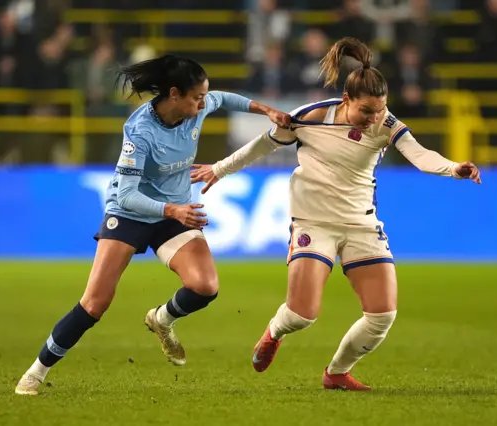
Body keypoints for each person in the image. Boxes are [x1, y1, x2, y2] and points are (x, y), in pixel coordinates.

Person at [190, 38, 481, 391]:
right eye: (367, 112)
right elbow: (263, 145)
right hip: (313, 222)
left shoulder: (386, 124)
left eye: (381, 110)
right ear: (346, 101)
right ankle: (273, 333)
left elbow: (419, 155)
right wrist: (220, 169)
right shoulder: (311, 117)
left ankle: (337, 373)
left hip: (361, 223)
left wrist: (454, 168)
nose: (375, 118)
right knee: (301, 315)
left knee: (382, 316)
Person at [15, 54, 290, 395]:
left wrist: (267, 111)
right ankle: (36, 372)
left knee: (205, 287)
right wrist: (173, 210)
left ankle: (162, 319)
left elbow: (225, 99)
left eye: (204, 96)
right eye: (197, 97)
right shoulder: (140, 130)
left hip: (173, 212)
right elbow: (128, 195)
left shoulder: (199, 106)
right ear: (174, 94)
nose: (204, 103)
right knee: (94, 304)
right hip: (131, 213)